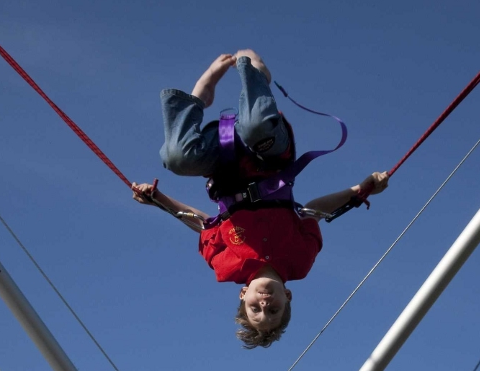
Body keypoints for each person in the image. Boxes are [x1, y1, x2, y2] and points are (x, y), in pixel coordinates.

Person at [134, 50, 389, 348]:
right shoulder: (300, 261)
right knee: (256, 126)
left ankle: (200, 97)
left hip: (224, 166)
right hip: (270, 157)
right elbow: (314, 211)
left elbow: (203, 222)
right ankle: (257, 74)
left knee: (178, 159)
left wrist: (160, 200)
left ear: (243, 295)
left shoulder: (225, 266)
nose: (264, 303)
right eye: (273, 309)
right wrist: (359, 191)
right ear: (288, 297)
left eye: (256, 309)